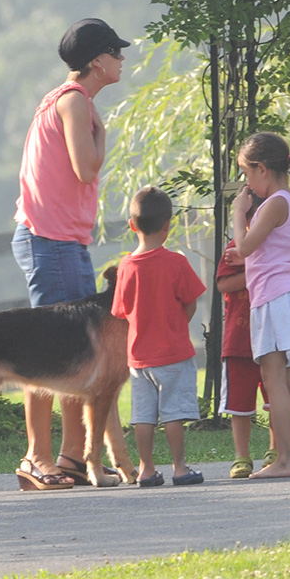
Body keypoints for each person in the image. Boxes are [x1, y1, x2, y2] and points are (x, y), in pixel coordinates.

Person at [11, 17, 130, 490]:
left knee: (77, 353)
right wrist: (103, 139)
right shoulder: (76, 103)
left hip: (58, 239)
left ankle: (71, 458)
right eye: (116, 53)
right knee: (50, 352)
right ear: (97, 62)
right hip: (52, 241)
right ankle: (37, 458)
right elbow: (86, 168)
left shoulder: (58, 98)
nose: (122, 60)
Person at [231, 132, 290, 479]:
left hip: (273, 297)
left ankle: (284, 459)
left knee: (274, 379)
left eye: (247, 173)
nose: (247, 183)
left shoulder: (274, 204)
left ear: (261, 169)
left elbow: (245, 247)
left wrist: (240, 214)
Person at [112, 186, 206, 487]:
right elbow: (191, 300)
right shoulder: (176, 263)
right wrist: (178, 323)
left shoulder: (125, 267)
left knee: (143, 414)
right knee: (174, 413)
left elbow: (122, 310)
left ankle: (146, 469)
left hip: (139, 357)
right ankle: (180, 467)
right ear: (168, 225)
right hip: (174, 353)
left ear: (132, 225)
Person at [217, 194, 276, 478]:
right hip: (239, 342)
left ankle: (275, 449)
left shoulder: (275, 249)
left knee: (276, 397)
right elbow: (224, 284)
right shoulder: (232, 249)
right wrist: (254, 269)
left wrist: (250, 266)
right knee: (239, 407)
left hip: (272, 337)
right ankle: (242, 456)